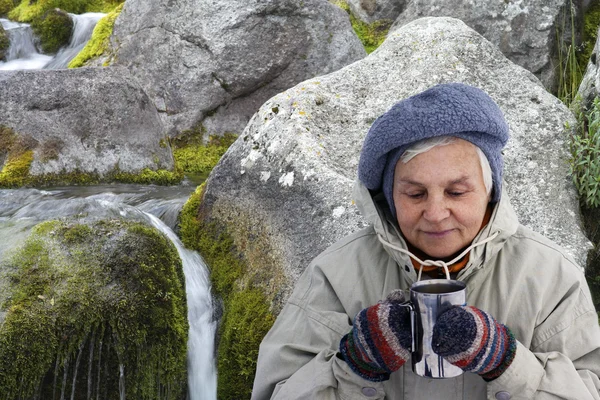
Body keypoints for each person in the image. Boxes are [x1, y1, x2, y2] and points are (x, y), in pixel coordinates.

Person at [251, 83, 600, 399]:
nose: (435, 213)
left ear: (489, 191)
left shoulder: (550, 275)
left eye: (456, 191)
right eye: (416, 194)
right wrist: (353, 365)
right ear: (389, 197)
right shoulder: (335, 275)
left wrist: (507, 364)